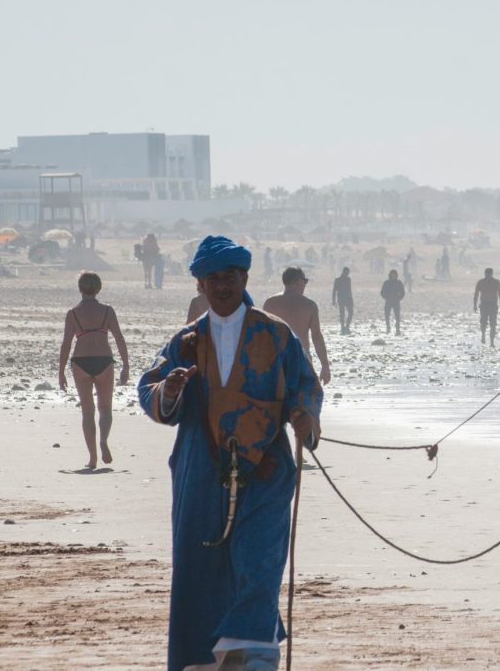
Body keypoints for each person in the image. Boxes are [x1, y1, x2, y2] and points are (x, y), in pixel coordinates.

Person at [138, 235, 322, 671]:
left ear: (244, 279)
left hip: (266, 472)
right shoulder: (185, 342)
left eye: (230, 276)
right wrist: (172, 390)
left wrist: (304, 417)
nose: (222, 285)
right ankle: (204, 661)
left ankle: (252, 658)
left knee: (258, 564)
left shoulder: (276, 335)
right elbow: (150, 392)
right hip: (200, 474)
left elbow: (305, 386)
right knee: (200, 572)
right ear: (200, 285)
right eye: (213, 278)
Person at [58, 272, 130, 469]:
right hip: (104, 360)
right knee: (105, 408)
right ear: (98, 289)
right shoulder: (107, 311)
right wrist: (126, 365)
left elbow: (66, 344)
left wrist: (61, 371)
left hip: (80, 361)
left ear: (80, 289)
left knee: (87, 411)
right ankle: (104, 440)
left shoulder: (73, 314)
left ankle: (92, 458)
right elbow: (119, 338)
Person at [264, 267, 332, 385]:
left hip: (276, 360)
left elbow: (263, 336)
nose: (305, 284)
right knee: (301, 400)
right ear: (299, 282)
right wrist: (325, 366)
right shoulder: (309, 305)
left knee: (276, 400)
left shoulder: (270, 303)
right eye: (305, 281)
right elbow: (316, 337)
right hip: (301, 358)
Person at [473, 267, 500, 346]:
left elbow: (476, 294)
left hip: (486, 305)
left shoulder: (481, 282)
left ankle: (487, 338)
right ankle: (490, 341)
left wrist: (475, 305)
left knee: (487, 323)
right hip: (490, 305)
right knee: (492, 324)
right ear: (491, 273)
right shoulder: (495, 282)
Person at [380, 268, 406, 335]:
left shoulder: (399, 282)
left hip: (396, 302)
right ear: (390, 275)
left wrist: (399, 298)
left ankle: (397, 329)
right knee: (387, 315)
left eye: (394, 275)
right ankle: (388, 327)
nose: (393, 276)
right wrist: (386, 297)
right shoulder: (386, 283)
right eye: (392, 274)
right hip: (388, 301)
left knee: (397, 316)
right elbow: (382, 292)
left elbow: (403, 292)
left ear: (396, 275)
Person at [331, 267, 354, 335]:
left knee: (350, 312)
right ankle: (342, 327)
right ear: (343, 272)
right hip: (341, 299)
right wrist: (333, 300)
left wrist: (351, 300)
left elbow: (350, 290)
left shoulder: (348, 279)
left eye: (348, 273)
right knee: (342, 314)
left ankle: (346, 327)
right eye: (346, 272)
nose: (347, 274)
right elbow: (334, 290)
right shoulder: (337, 279)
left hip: (348, 299)